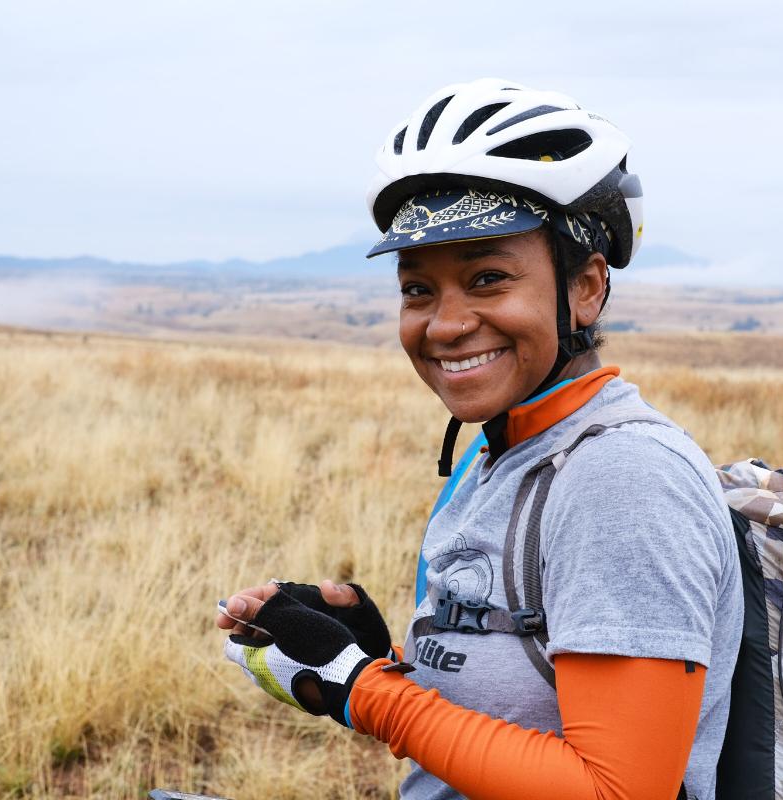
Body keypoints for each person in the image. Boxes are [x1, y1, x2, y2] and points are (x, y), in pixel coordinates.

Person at [217, 78, 743, 800]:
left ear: (586, 287)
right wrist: (378, 653)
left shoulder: (623, 476)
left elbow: (618, 789)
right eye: (418, 288)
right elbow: (525, 692)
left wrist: (362, 691)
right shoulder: (499, 452)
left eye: (488, 278)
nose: (444, 323)